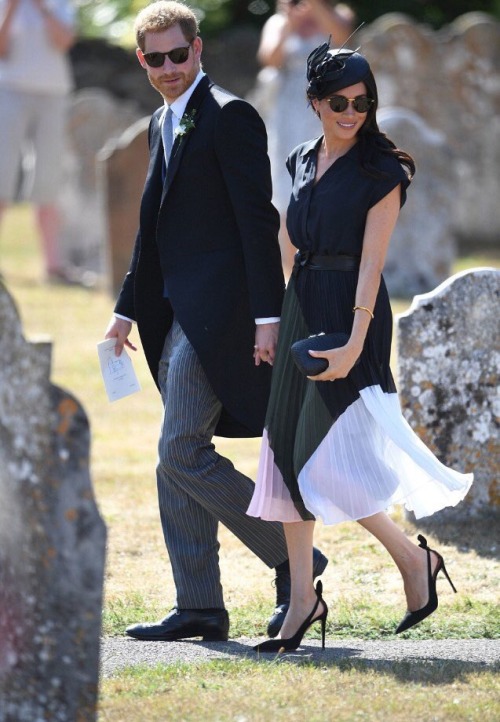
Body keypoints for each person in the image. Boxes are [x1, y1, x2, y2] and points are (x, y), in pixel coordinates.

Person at [104, 0, 328, 643]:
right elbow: (153, 232)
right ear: (143, 62)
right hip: (174, 315)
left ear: (198, 50)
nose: (171, 67)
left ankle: (295, 558)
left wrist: (267, 318)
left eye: (181, 54)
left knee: (179, 451)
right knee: (174, 456)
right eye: (158, 59)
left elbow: (260, 225)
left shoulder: (231, 116)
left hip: (227, 315)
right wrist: (123, 312)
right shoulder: (159, 122)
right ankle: (199, 603)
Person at [248, 41, 474, 652]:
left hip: (355, 317)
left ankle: (410, 560)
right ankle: (301, 602)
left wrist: (351, 343)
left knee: (326, 456)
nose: (352, 112)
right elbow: (288, 248)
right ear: (315, 102)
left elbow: (372, 265)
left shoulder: (384, 171)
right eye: (340, 102)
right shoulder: (298, 158)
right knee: (286, 456)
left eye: (363, 102)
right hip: (302, 311)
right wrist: (271, 322)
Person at [255, 0, 355, 278]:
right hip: (288, 113)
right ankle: (293, 272)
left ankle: (330, 266)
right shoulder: (278, 22)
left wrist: (315, 7)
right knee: (288, 189)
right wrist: (290, 22)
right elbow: (269, 58)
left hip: (329, 110)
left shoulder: (338, 14)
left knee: (330, 181)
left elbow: (344, 38)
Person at [0, 0, 76, 282]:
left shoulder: (61, 3)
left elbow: (63, 41)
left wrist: (42, 8)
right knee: (2, 173)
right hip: (8, 91)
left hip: (53, 94)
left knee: (49, 178)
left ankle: (53, 265)